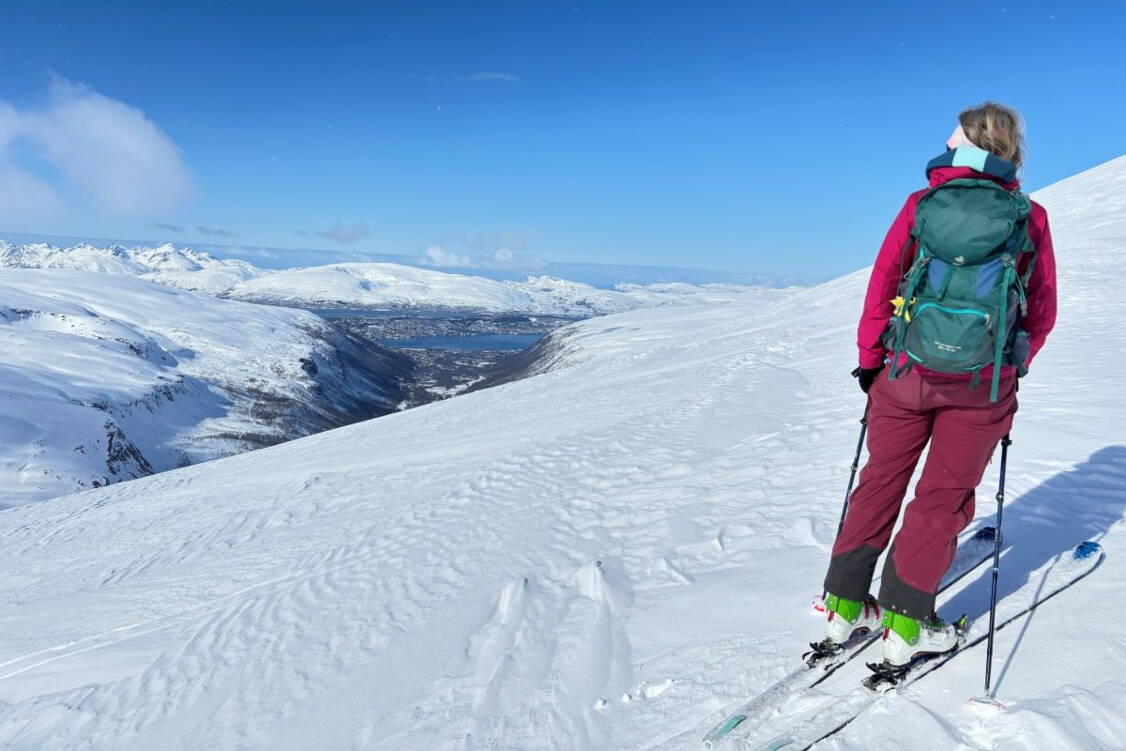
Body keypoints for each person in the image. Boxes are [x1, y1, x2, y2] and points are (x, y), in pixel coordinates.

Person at [818, 102, 1057, 667]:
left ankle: (844, 605)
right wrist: (1012, 364)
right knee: (941, 499)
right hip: (981, 386)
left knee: (879, 481)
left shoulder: (921, 204)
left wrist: (871, 360)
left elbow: (884, 282)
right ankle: (906, 623)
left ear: (958, 146)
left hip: (905, 374)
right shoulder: (1029, 216)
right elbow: (1041, 306)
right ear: (1009, 150)